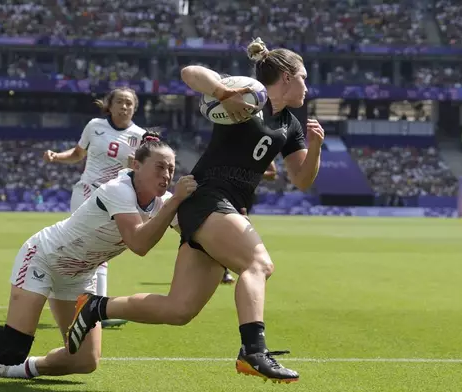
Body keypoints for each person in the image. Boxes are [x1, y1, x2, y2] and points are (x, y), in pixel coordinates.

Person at [65, 37, 325, 384]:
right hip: (206, 197)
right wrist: (221, 92)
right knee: (258, 264)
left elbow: (303, 179)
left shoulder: (291, 124)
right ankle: (253, 350)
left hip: (227, 208)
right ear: (288, 77)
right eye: (304, 77)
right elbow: (190, 72)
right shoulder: (246, 95)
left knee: (179, 310)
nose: (308, 85)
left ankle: (95, 307)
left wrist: (316, 147)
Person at [0, 133, 197, 379]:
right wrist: (176, 201)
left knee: (85, 360)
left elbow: (193, 233)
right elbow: (139, 244)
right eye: (159, 167)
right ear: (136, 165)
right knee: (12, 348)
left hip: (79, 276)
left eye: (171, 168)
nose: (166, 175)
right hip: (44, 258)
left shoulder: (164, 202)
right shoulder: (119, 190)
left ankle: (17, 370)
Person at [43, 87, 146, 328]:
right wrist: (57, 156)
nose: (124, 107)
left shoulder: (140, 136)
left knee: (101, 253)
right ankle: (91, 307)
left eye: (129, 103)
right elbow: (78, 154)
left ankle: (92, 307)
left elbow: (143, 171)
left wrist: (136, 167)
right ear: (109, 106)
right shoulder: (95, 126)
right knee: (82, 247)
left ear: (135, 108)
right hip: (87, 193)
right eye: (120, 102)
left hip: (116, 199)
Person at [220, 161, 277, 285]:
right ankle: (224, 271)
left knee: (234, 235)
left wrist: (254, 174)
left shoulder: (263, 149)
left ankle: (228, 270)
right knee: (228, 234)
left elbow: (273, 174)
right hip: (227, 194)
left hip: (245, 197)